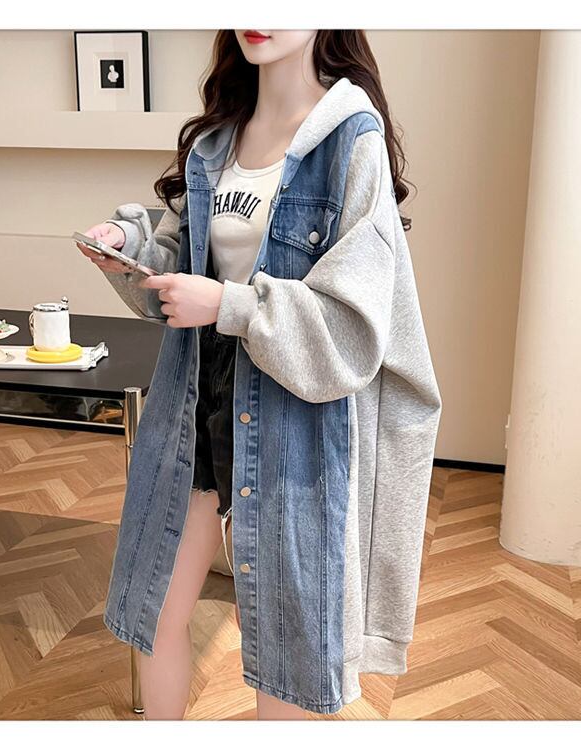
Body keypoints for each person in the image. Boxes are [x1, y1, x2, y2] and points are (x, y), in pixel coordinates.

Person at [76, 30, 442, 720]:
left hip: (291, 423)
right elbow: (186, 267)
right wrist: (132, 247)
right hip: (193, 400)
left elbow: (353, 324)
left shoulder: (350, 141)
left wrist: (230, 305)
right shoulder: (218, 139)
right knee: (155, 609)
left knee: (283, 649)